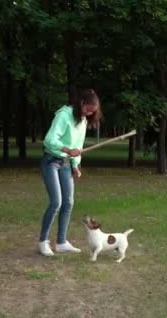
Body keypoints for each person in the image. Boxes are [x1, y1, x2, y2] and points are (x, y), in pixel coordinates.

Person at [38, 88, 102, 256]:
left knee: (69, 202)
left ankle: (61, 242)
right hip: (51, 161)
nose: (88, 114)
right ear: (81, 103)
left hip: (66, 164)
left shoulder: (83, 121)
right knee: (56, 202)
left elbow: (78, 147)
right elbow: (49, 140)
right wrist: (67, 149)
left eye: (92, 112)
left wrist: (75, 165)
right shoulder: (63, 115)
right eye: (88, 109)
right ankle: (43, 242)